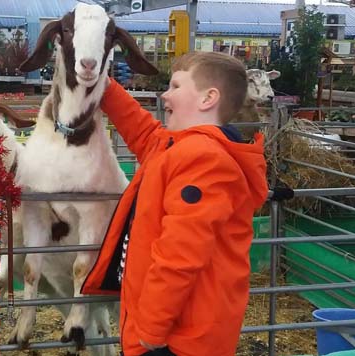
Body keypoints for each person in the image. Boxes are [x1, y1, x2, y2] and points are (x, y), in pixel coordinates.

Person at [82, 51, 269, 356]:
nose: (164, 93)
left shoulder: (204, 159)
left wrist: (152, 327)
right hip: (169, 329)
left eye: (176, 86)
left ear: (208, 98)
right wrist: (103, 84)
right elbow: (142, 130)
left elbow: (181, 253)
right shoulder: (175, 146)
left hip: (179, 339)